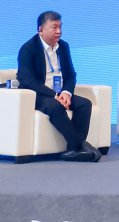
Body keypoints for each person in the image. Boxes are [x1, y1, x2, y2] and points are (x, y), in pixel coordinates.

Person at [16, 11, 98, 162]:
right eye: (54, 27)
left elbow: (71, 74)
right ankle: (81, 145)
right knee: (55, 106)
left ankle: (73, 150)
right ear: (41, 29)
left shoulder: (63, 46)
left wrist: (66, 93)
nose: (59, 31)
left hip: (60, 93)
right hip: (37, 95)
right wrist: (54, 95)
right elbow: (27, 80)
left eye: (60, 27)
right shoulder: (28, 49)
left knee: (84, 104)